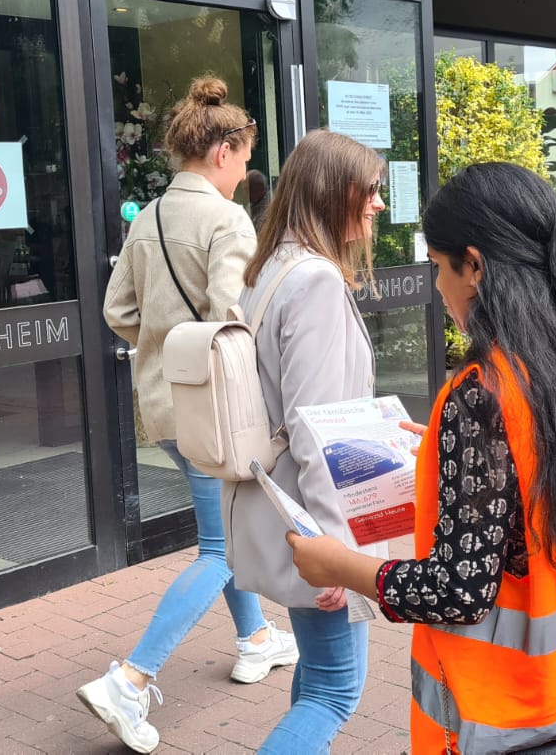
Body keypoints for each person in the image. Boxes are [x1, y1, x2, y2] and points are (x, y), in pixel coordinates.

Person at [287, 162, 556, 753]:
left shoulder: (481, 396)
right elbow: (546, 492)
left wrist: (337, 565)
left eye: (438, 266)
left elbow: (457, 590)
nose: (437, 286)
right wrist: (450, 462)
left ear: (473, 266)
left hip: (507, 721)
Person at [84, 76, 298, 753]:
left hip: (164, 403)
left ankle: (255, 638)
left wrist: (165, 349)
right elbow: (231, 320)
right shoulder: (226, 220)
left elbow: (118, 311)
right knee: (220, 547)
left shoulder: (146, 217)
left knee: (223, 527)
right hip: (216, 410)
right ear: (223, 152)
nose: (244, 173)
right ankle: (130, 679)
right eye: (244, 158)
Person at [223, 129, 387, 753]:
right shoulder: (315, 278)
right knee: (335, 689)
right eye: (368, 190)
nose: (377, 204)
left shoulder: (270, 268)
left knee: (317, 679)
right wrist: (336, 546)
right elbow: (319, 425)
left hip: (284, 506)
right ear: (331, 192)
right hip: (314, 517)